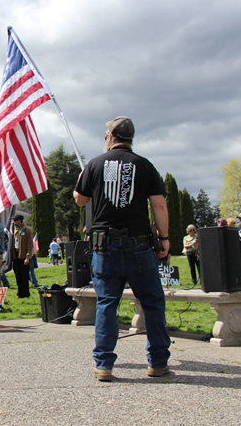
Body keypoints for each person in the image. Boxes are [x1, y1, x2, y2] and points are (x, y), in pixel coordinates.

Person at [73, 116, 171, 382]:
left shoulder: (94, 164)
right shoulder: (144, 165)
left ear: (109, 137)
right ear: (130, 139)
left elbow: (80, 200)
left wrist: (84, 178)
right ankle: (158, 362)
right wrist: (164, 238)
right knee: (151, 303)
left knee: (107, 304)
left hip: (104, 247)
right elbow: (159, 205)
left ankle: (104, 364)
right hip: (139, 244)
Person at [10, 215, 34, 298]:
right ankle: (20, 293)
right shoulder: (12, 230)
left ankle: (26, 293)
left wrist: (28, 256)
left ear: (19, 221)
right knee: (18, 276)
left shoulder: (27, 230)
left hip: (23, 255)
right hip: (15, 255)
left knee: (24, 276)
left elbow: (30, 244)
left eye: (15, 220)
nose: (14, 222)